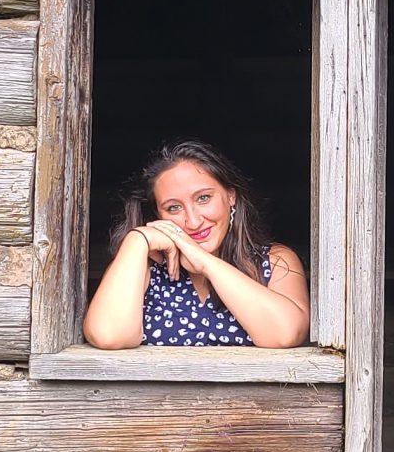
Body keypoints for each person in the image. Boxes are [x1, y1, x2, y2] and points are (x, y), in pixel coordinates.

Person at [81, 140, 310, 349]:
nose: (193, 221)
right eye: (173, 207)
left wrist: (205, 263)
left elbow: (285, 334)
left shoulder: (274, 261)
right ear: (157, 214)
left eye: (203, 198)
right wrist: (137, 239)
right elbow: (108, 336)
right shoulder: (140, 265)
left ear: (231, 195)